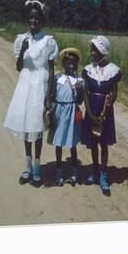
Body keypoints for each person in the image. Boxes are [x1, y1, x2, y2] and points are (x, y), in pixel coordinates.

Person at [4, 0, 58, 187]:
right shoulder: (21, 40)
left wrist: (49, 94)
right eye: (31, 17)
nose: (33, 20)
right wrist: (23, 51)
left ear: (42, 20)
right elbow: (19, 67)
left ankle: (37, 168)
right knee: (27, 127)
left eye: (37, 17)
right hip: (25, 86)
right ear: (28, 19)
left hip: (39, 86)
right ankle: (27, 167)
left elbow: (51, 69)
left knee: (37, 128)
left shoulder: (48, 41)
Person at [81, 35, 122, 196]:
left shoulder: (113, 70)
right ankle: (95, 170)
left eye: (95, 50)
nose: (92, 53)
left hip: (105, 112)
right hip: (91, 108)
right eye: (91, 50)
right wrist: (90, 113)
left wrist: (107, 107)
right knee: (93, 143)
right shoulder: (88, 70)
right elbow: (85, 92)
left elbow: (114, 92)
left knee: (103, 143)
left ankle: (104, 174)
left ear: (103, 51)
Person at [47, 48, 84, 187]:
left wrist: (80, 89)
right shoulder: (57, 78)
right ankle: (59, 172)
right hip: (59, 112)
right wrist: (50, 109)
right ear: (63, 64)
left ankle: (74, 173)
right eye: (68, 63)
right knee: (59, 142)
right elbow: (51, 95)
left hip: (72, 112)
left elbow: (80, 101)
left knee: (72, 143)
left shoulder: (79, 80)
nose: (71, 66)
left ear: (77, 64)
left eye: (74, 63)